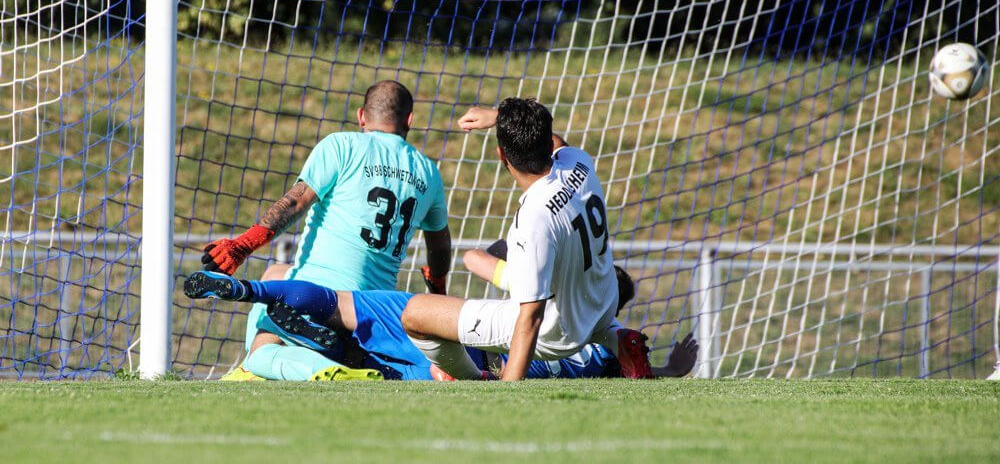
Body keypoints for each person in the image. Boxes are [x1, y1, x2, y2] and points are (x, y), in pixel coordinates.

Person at [199, 81, 453, 381]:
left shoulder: (342, 145)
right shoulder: (428, 172)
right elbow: (439, 246)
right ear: (409, 120)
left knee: (261, 352)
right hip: (373, 309)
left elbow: (294, 202)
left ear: (361, 116)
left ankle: (308, 367)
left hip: (315, 294)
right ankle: (342, 352)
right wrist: (437, 288)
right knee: (276, 273)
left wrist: (243, 245)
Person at [400, 98, 653, 381]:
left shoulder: (532, 219)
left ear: (501, 156)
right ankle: (619, 339)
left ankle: (475, 380)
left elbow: (531, 317)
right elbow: (557, 142)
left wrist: (510, 390)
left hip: (556, 333)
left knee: (415, 314)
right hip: (603, 307)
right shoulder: (578, 162)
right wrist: (502, 117)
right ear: (547, 144)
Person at [183, 252, 699, 380]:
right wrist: (674, 368)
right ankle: (334, 351)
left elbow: (474, 257)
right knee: (383, 365)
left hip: (471, 324)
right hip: (477, 362)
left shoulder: (540, 287)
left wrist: (522, 263)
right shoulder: (605, 351)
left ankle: (248, 288)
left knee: (341, 305)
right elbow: (639, 375)